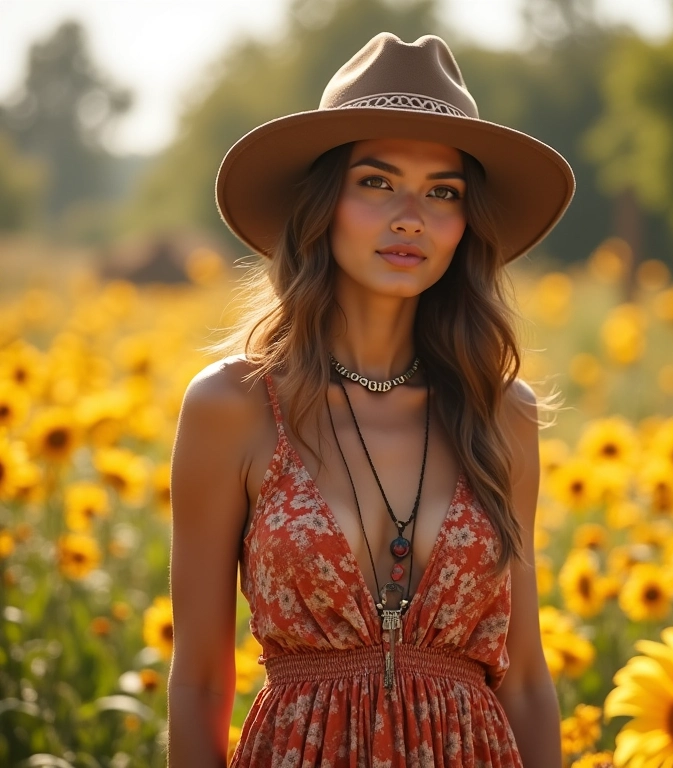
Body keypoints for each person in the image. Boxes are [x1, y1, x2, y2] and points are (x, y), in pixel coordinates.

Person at [167, 32, 574, 768]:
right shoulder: (235, 407)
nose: (411, 215)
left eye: (443, 191)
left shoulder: (501, 413)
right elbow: (198, 680)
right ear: (323, 204)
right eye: (377, 183)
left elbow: (527, 683)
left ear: (464, 225)